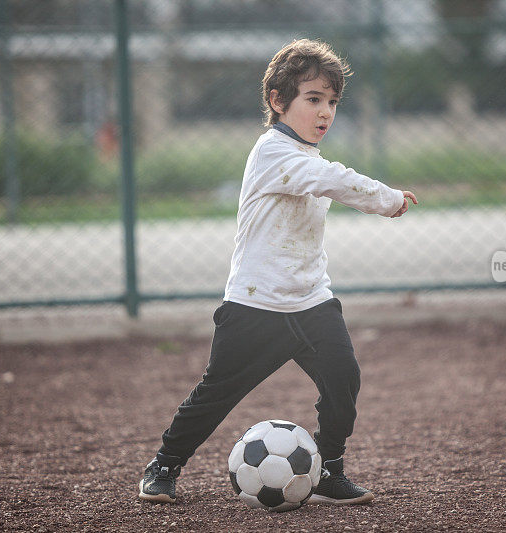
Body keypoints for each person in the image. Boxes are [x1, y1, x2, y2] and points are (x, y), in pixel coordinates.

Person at [138, 38, 417, 506]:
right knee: (215, 395)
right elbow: (333, 179)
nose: (325, 111)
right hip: (255, 304)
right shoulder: (273, 152)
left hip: (311, 301)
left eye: (332, 101)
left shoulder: (306, 156)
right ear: (278, 101)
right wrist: (386, 198)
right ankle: (164, 465)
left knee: (343, 379)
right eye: (313, 99)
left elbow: (323, 176)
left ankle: (328, 469)